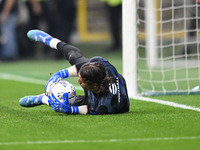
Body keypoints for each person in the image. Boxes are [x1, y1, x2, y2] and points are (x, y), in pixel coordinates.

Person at [19, 30, 129, 115]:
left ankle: (42, 99)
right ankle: (49, 39)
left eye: (81, 81)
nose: (77, 81)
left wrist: (68, 110)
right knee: (76, 56)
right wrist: (58, 75)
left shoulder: (101, 106)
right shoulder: (102, 64)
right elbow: (81, 66)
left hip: (109, 103)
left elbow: (84, 109)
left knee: (65, 102)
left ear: (93, 84)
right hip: (97, 90)